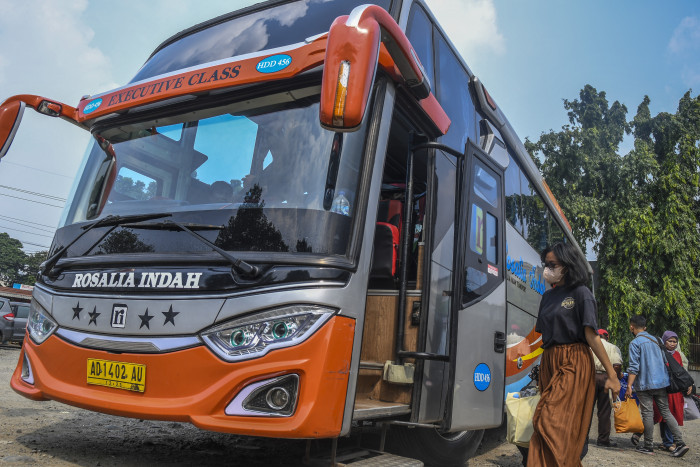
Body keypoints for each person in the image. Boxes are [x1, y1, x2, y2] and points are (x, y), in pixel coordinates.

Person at [527, 242, 620, 466]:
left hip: (574, 361)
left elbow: (592, 336)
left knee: (551, 420)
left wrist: (612, 375)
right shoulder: (548, 297)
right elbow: (544, 337)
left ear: (567, 266)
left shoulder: (582, 293)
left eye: (552, 264)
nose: (547, 269)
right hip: (550, 360)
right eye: (545, 264)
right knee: (543, 420)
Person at [627, 316, 689, 457]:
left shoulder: (635, 343)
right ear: (645, 327)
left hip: (644, 383)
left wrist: (629, 385)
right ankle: (680, 443)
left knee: (648, 413)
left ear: (632, 327)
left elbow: (634, 367)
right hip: (662, 382)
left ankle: (648, 446)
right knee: (666, 412)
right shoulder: (658, 340)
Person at [656, 330, 690, 452]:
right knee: (663, 415)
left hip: (675, 390)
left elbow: (681, 371)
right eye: (670, 341)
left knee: (672, 414)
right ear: (664, 341)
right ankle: (668, 441)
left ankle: (669, 441)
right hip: (664, 388)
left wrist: (687, 384)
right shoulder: (660, 353)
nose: (672, 344)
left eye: (675, 342)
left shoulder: (678, 355)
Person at [591, 328, 623, 447]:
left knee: (587, 409)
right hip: (606, 378)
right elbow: (617, 365)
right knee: (604, 410)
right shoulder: (612, 347)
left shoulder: (589, 346)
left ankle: (582, 437)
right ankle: (603, 439)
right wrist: (615, 378)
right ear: (607, 337)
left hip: (590, 377)